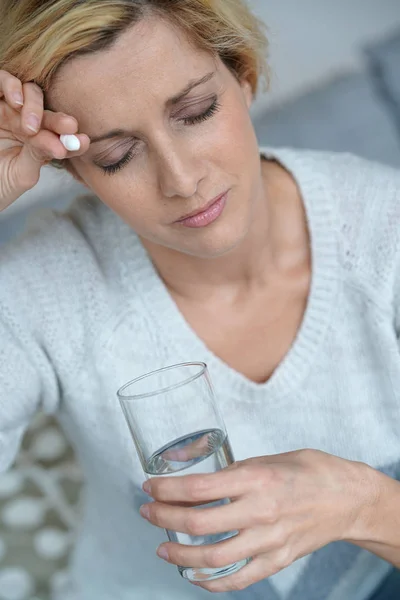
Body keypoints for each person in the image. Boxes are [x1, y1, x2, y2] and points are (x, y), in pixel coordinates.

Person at [0, 1, 400, 599]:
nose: (180, 179)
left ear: (242, 75)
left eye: (195, 111)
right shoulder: (53, 288)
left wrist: (362, 505)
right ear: (79, 171)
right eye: (118, 155)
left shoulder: (385, 236)